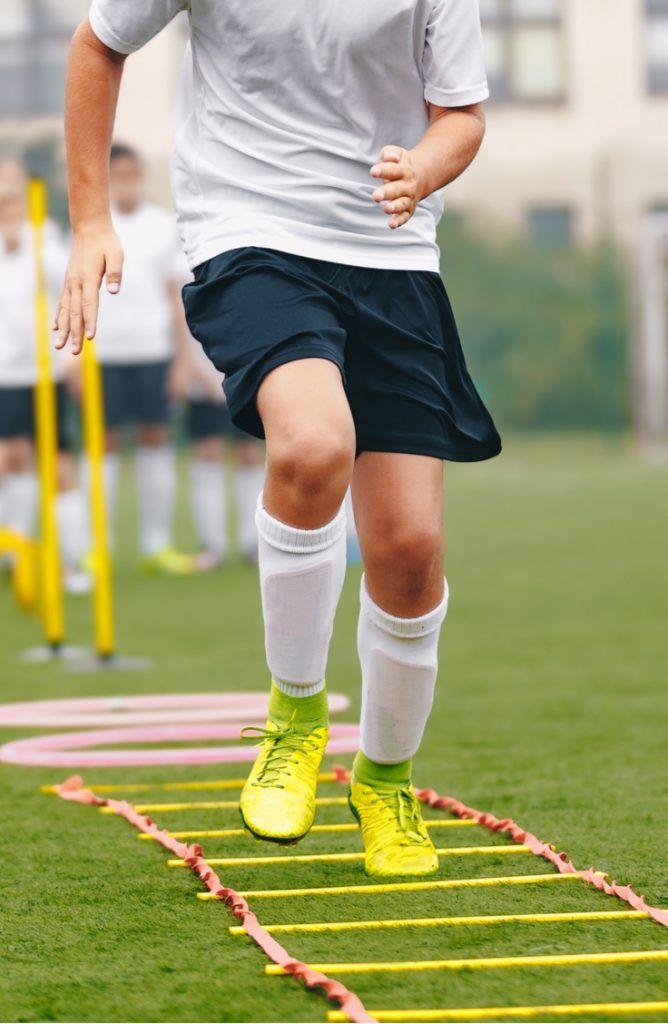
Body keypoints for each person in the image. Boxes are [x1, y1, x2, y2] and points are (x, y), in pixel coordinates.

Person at [57, 0, 501, 877]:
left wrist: (423, 168)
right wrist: (91, 221)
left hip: (391, 255)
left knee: (409, 551)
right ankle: (295, 720)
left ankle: (384, 778)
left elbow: (464, 115)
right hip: (250, 236)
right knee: (311, 445)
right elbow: (97, 43)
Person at [87, 143, 194, 574]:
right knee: (104, 447)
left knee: (156, 441)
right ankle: (98, 549)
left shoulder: (163, 226)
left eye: (133, 172)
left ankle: (157, 546)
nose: (127, 181)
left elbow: (176, 299)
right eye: (118, 174)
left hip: (153, 351)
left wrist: (182, 360)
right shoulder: (92, 228)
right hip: (102, 353)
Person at [0, 161, 89, 594]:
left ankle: (71, 561)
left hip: (43, 374)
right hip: (5, 375)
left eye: (11, 190)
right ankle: (17, 554)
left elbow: (70, 297)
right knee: (11, 461)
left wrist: (74, 360)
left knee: (58, 466)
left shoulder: (46, 242)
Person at [185, 334, 264, 569]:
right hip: (202, 384)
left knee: (249, 456)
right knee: (208, 456)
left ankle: (253, 543)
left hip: (246, 379)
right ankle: (212, 546)